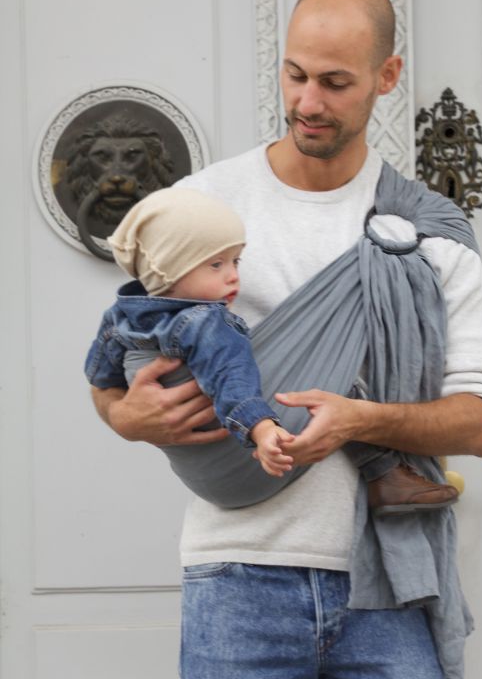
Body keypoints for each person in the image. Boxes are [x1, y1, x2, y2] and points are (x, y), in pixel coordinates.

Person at [90, 0, 482, 679]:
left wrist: (364, 421)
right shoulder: (205, 204)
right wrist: (128, 416)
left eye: (334, 81)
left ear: (387, 76)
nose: (306, 102)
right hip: (237, 579)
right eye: (293, 76)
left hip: (386, 590)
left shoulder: (426, 235)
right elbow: (112, 367)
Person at [85, 186, 461, 511]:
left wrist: (117, 405)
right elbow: (233, 382)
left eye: (236, 261)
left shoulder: (121, 316)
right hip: (247, 457)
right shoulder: (210, 323)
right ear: (169, 268)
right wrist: (263, 431)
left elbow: (100, 376)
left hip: (201, 476)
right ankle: (383, 470)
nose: (233, 276)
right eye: (216, 264)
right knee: (335, 375)